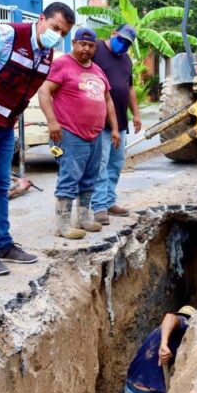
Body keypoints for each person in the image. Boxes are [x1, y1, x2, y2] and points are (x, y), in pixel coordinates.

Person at [0, 3, 76, 277]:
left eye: (63, 32)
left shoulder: (46, 54)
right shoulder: (7, 35)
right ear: (41, 19)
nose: (57, 35)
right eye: (55, 27)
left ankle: (3, 244)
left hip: (5, 124)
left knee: (0, 183)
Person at [37, 27, 121, 239]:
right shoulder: (62, 64)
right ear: (74, 43)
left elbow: (108, 100)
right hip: (70, 133)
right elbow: (44, 90)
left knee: (90, 178)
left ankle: (83, 218)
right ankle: (62, 225)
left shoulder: (97, 70)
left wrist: (115, 129)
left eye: (91, 45)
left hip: (95, 134)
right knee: (69, 177)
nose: (86, 49)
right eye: (82, 44)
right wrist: (52, 122)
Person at [91, 23, 142, 225]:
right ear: (113, 34)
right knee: (100, 164)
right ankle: (99, 206)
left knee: (115, 163)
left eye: (128, 44)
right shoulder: (95, 49)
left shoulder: (126, 59)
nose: (123, 46)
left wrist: (136, 114)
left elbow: (129, 89)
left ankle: (109, 201)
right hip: (99, 121)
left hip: (120, 121)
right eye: (121, 40)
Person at [123, 306, 196, 393]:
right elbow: (170, 316)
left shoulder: (159, 331)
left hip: (131, 387)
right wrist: (164, 345)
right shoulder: (184, 323)